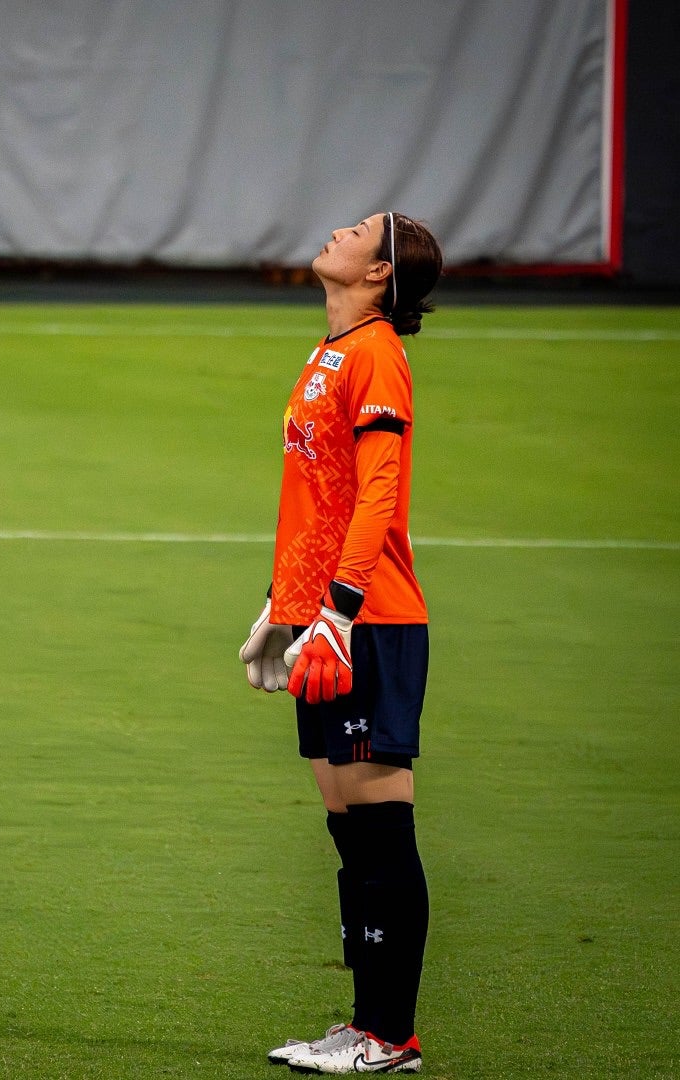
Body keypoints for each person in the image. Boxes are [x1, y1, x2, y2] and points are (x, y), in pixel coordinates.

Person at [240, 212, 443, 1074]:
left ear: (378, 272)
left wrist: (341, 610)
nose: (336, 231)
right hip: (321, 618)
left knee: (382, 833)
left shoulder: (376, 355)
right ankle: (365, 1025)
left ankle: (392, 1036)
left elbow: (377, 493)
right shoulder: (331, 349)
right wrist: (281, 603)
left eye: (358, 230)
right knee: (350, 836)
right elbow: (317, 496)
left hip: (369, 622)